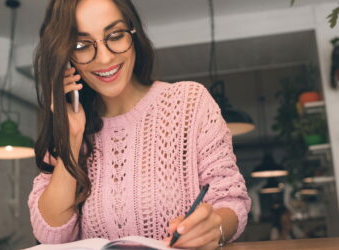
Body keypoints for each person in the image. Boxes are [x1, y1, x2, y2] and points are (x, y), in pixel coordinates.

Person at [28, 0, 251, 249]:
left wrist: (215, 227)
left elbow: (232, 200)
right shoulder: (70, 126)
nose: (104, 58)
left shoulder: (189, 102)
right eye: (81, 45)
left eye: (115, 35)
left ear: (133, 34)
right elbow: (51, 236)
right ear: (67, 57)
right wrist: (72, 135)